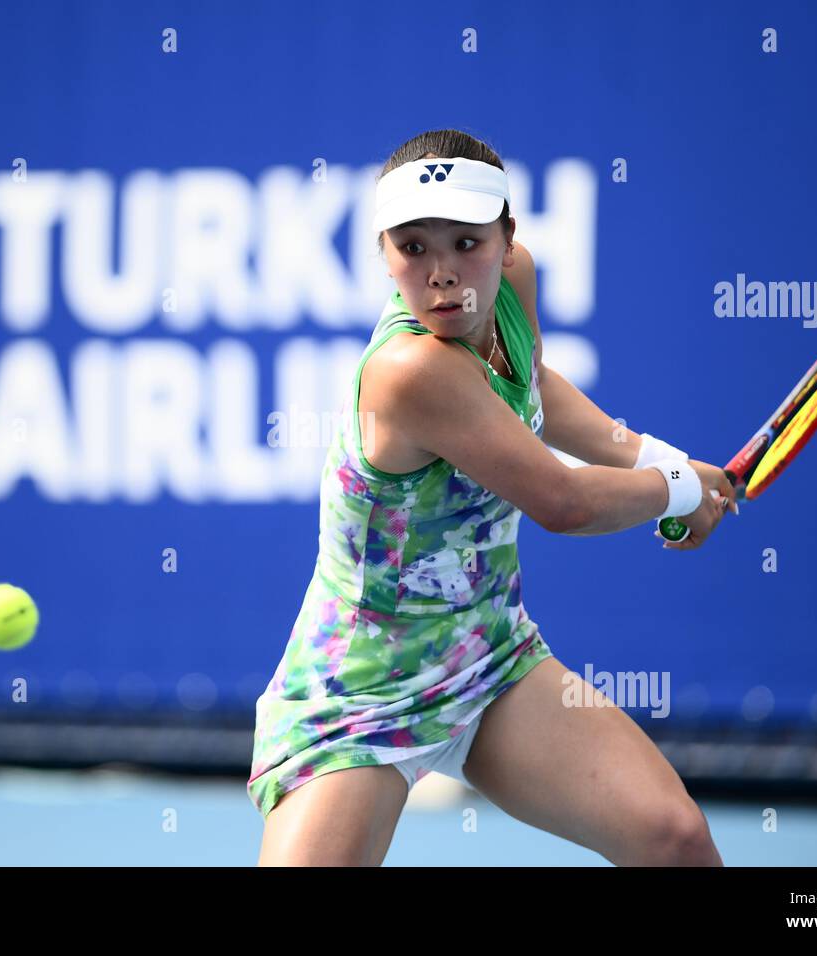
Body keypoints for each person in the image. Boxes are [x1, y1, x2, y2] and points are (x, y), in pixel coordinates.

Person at [247, 128, 734, 866]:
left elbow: (532, 389)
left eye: (467, 243)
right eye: (413, 247)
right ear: (383, 253)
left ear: (509, 240)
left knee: (674, 839)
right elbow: (562, 503)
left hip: (489, 655)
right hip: (361, 687)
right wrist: (675, 490)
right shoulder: (410, 371)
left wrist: (662, 461)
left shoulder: (513, 286)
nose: (444, 275)